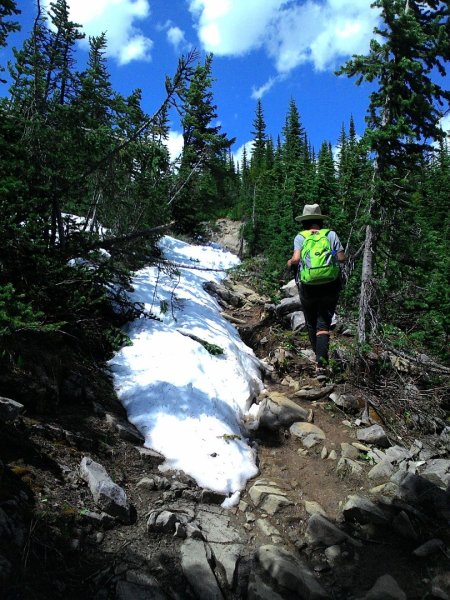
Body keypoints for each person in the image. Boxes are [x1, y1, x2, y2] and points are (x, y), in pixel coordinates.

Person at [287, 203, 346, 374]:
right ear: (320, 221)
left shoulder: (301, 237)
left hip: (308, 286)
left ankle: (318, 356)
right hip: (330, 284)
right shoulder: (331, 235)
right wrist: (331, 256)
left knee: (311, 322)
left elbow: (296, 259)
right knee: (323, 323)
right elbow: (342, 258)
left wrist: (289, 262)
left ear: (304, 222)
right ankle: (322, 364)